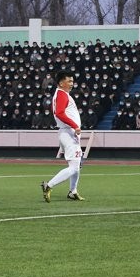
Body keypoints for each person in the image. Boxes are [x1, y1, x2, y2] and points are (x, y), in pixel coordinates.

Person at [40, 70, 85, 202]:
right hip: (68, 132)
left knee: (76, 164)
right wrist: (75, 126)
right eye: (69, 81)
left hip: (67, 133)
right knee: (74, 167)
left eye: (72, 80)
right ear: (61, 83)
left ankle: (73, 191)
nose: (72, 83)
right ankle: (48, 185)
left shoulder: (61, 94)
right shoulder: (62, 94)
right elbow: (59, 113)